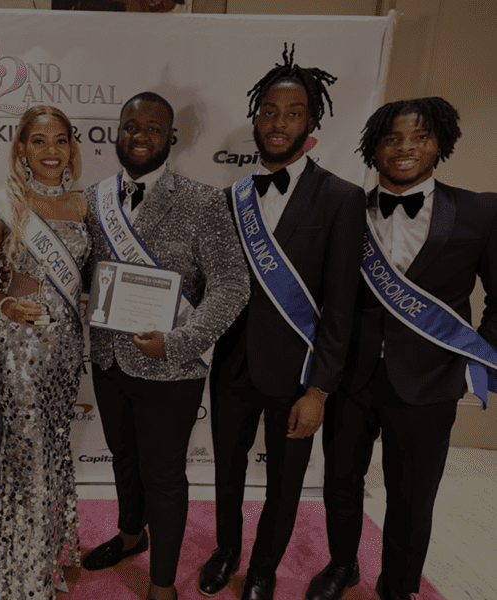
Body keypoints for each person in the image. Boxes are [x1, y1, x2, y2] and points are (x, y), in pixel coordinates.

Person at [305, 97, 497, 600]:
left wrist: (474, 358)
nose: (405, 148)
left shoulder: (480, 210)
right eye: (391, 138)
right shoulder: (346, 208)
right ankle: (342, 565)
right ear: (374, 147)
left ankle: (397, 584)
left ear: (440, 143)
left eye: (420, 137)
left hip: (430, 381)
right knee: (340, 483)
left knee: (413, 498)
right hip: (350, 375)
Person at [198, 46, 365, 600]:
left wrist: (320, 389)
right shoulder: (231, 198)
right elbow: (210, 283)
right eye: (269, 111)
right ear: (255, 117)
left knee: (285, 481)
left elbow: (341, 306)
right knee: (226, 472)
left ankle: (263, 568)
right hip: (231, 366)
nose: (278, 123)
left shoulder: (342, 198)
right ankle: (226, 550)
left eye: (293, 113)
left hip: (298, 374)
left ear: (311, 122)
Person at [81, 91, 250, 600]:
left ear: (170, 137)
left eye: (153, 128)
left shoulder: (203, 201)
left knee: (165, 477)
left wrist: (179, 343)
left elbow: (231, 285)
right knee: (123, 459)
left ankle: (162, 584)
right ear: (117, 132)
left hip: (171, 370)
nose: (141, 136)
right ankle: (132, 535)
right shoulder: (93, 199)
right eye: (131, 126)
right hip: (109, 359)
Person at [0, 105, 90, 599]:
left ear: (71, 147)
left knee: (55, 446)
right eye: (39, 141)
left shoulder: (83, 205)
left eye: (60, 140)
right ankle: (19, 573)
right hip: (19, 345)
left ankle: (45, 556)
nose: (51, 151)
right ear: (21, 148)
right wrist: (6, 305)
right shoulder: (3, 203)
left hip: (66, 346)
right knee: (27, 452)